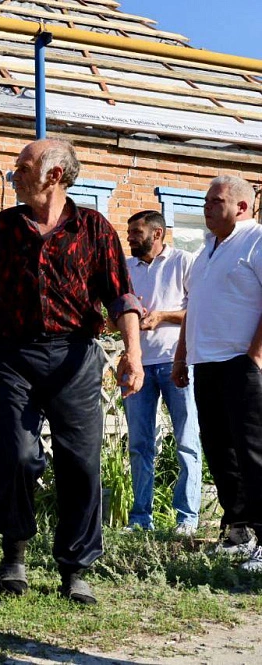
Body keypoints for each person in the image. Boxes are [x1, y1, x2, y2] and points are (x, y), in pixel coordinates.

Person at [0, 139, 143, 605]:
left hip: (75, 357)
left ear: (54, 175)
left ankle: (75, 568)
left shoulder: (94, 229)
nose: (14, 174)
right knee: (17, 456)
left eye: (23, 167)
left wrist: (133, 353)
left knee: (80, 463)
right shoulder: (3, 228)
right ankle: (14, 553)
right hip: (14, 356)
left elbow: (121, 297)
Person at [173, 175, 262, 572]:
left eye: (216, 201)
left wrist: (255, 357)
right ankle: (238, 532)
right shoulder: (205, 249)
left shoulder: (256, 241)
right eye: (206, 201)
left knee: (253, 453)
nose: (206, 207)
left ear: (241, 206)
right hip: (206, 365)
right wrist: (181, 358)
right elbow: (193, 309)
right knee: (220, 451)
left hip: (243, 365)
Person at [122, 211, 201, 534]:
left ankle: (187, 519)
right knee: (139, 444)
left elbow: (201, 309)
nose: (130, 237)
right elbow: (114, 313)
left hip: (177, 362)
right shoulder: (127, 268)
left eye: (136, 232)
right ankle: (141, 519)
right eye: (129, 232)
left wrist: (163, 316)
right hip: (137, 364)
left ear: (157, 234)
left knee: (186, 442)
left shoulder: (184, 261)